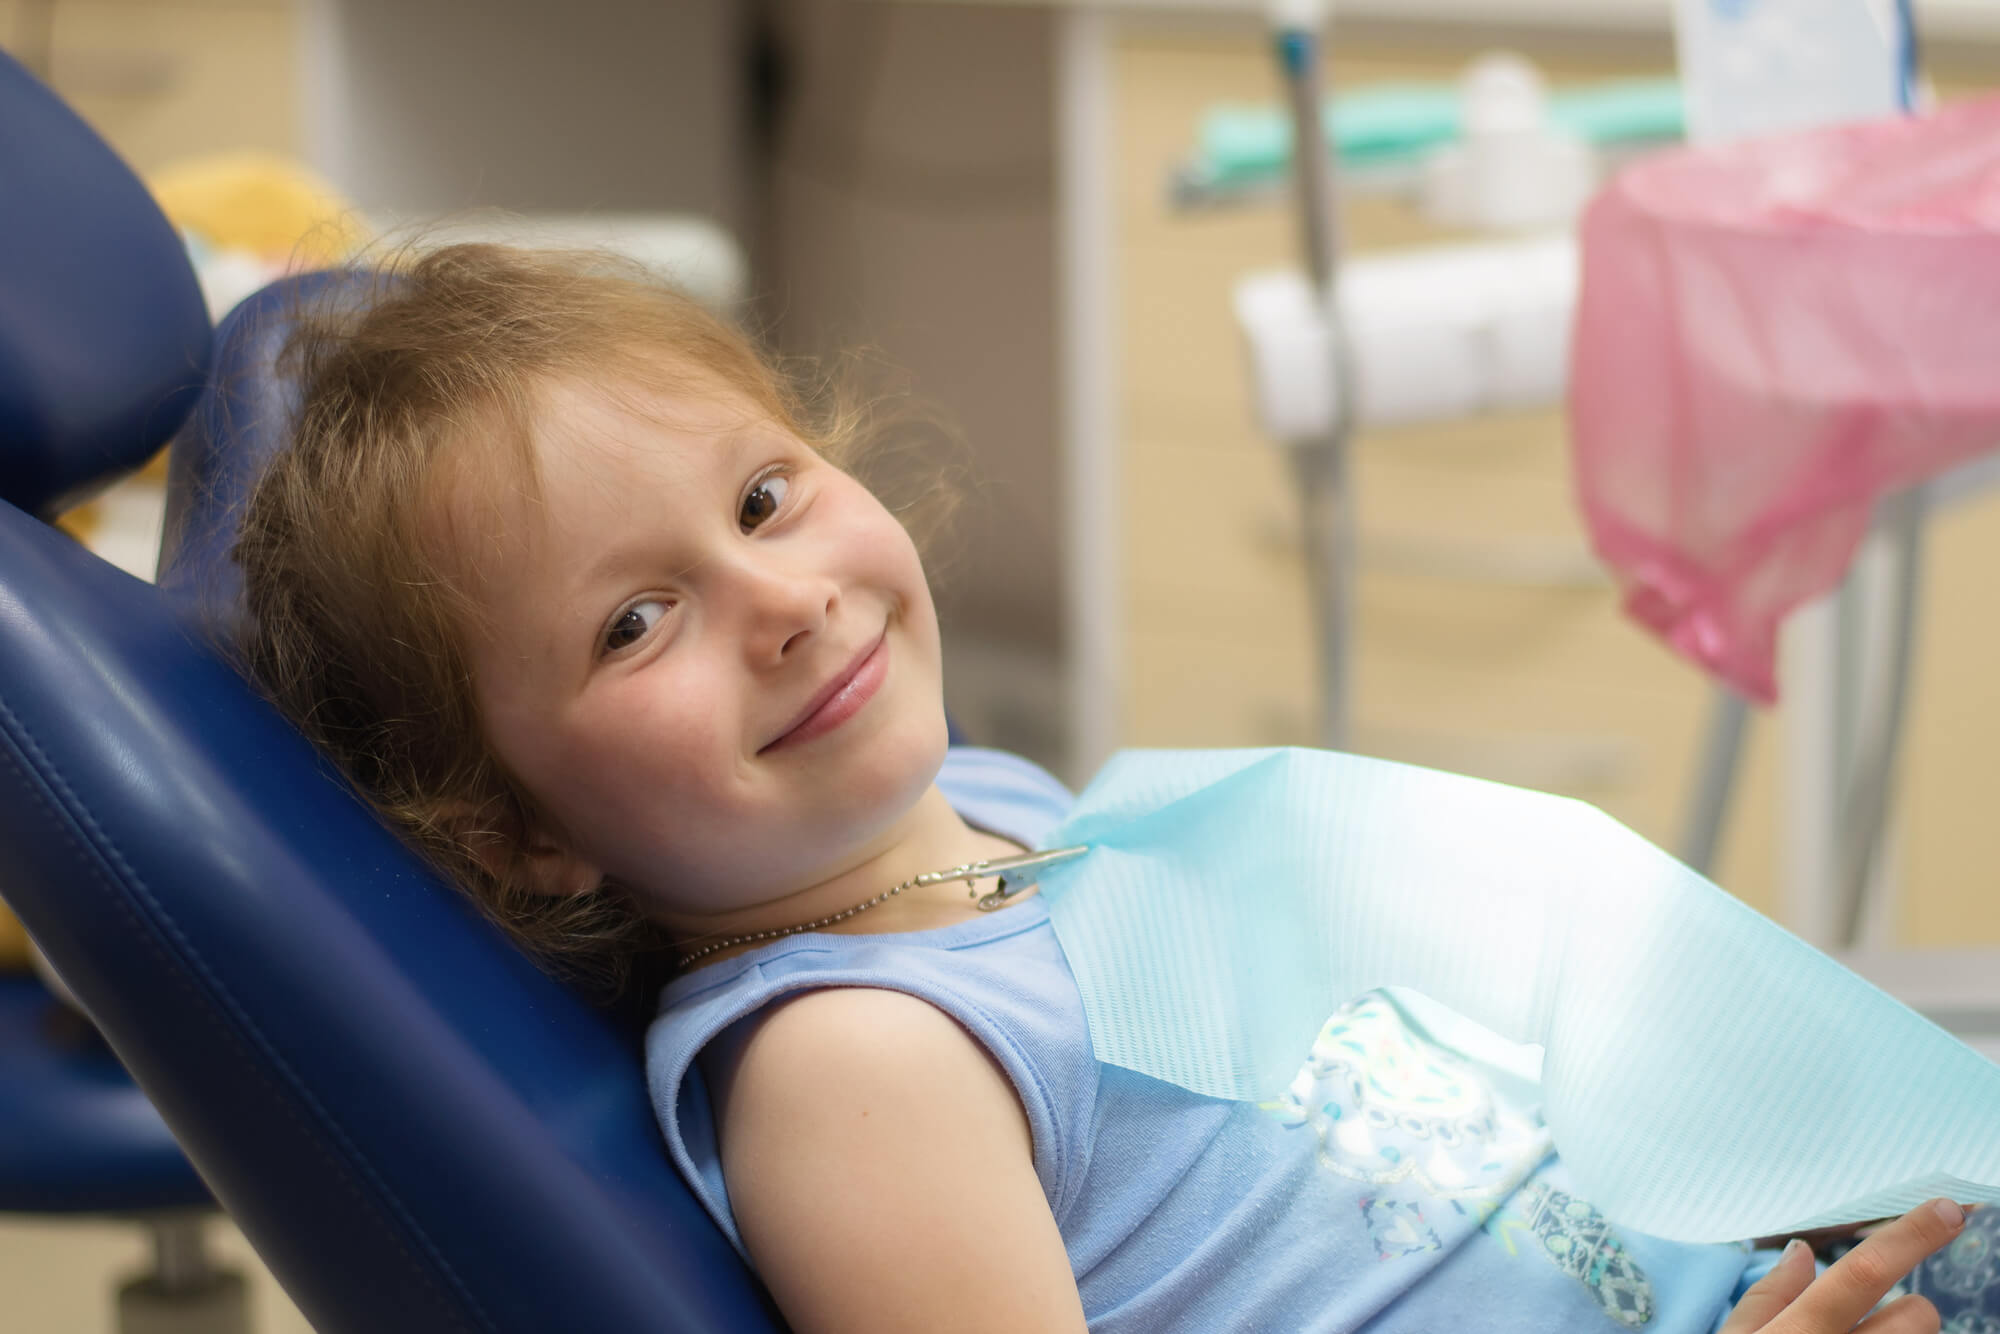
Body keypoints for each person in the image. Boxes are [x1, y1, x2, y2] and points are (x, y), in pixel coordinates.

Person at [234, 244, 1979, 1334]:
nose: (782, 602)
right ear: (526, 835)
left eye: (763, 499)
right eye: (634, 621)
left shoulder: (983, 809)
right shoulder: (857, 1066)